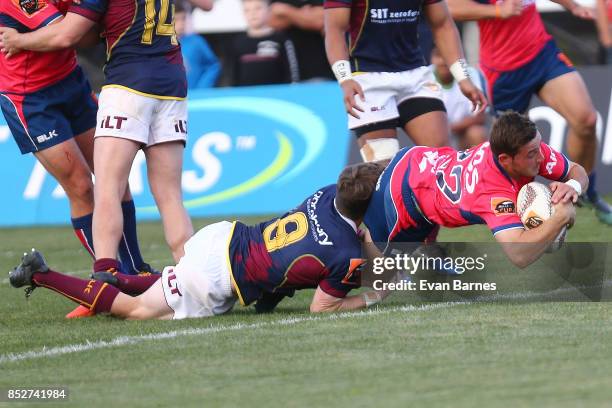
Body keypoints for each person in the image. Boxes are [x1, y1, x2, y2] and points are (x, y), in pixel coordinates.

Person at [9, 163, 391, 319]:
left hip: (224, 237)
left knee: (166, 282)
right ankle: (42, 275)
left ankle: (122, 278)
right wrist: (373, 296)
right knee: (138, 311)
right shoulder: (344, 253)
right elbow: (321, 309)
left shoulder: (328, 193)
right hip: (218, 275)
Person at [0, 0, 195, 275]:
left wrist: (19, 40)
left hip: (93, 82)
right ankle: (116, 278)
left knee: (112, 186)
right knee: (83, 187)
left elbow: (71, 34)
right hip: (31, 97)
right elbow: (69, 32)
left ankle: (128, 271)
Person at [447, 0, 612, 225]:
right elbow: (448, 7)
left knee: (587, 119)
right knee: (512, 150)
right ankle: (517, 211)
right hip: (503, 71)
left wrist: (572, 6)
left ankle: (584, 191)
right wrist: (496, 10)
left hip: (541, 53)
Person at [364, 112, 587, 268]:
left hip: (420, 165)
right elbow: (519, 255)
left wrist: (572, 186)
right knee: (369, 272)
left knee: (427, 265)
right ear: (505, 159)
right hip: (400, 200)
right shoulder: (492, 193)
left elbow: (578, 171)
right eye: (532, 154)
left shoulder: (524, 146)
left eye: (539, 147)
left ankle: (427, 253)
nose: (541, 156)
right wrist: (559, 218)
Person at [324, 0, 488, 164]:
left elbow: (443, 24)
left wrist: (463, 77)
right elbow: (334, 30)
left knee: (443, 160)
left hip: (414, 75)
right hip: (368, 80)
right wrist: (345, 79)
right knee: (383, 171)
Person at [229, 0, 299, 86]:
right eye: (247, 10)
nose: (253, 14)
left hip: (277, 96)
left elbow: (292, 74)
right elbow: (233, 76)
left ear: (268, 11)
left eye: (258, 8)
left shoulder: (282, 40)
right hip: (247, 97)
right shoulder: (238, 43)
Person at [431, 47, 487, 149]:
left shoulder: (471, 74)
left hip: (461, 135)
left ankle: (479, 164)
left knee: (477, 133)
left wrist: (449, 128)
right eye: (439, 56)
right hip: (435, 137)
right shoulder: (424, 77)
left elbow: (480, 117)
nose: (443, 61)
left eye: (447, 57)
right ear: (431, 58)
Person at [268, 0, 334, 81]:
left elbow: (322, 21)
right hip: (287, 73)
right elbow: (271, 22)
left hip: (324, 72)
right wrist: (305, 16)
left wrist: (286, 10)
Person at [175, 2, 221, 89]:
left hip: (196, 97)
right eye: (175, 20)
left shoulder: (196, 42)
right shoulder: (159, 45)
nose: (181, 23)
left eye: (183, 19)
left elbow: (213, 65)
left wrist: (203, 88)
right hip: (171, 99)